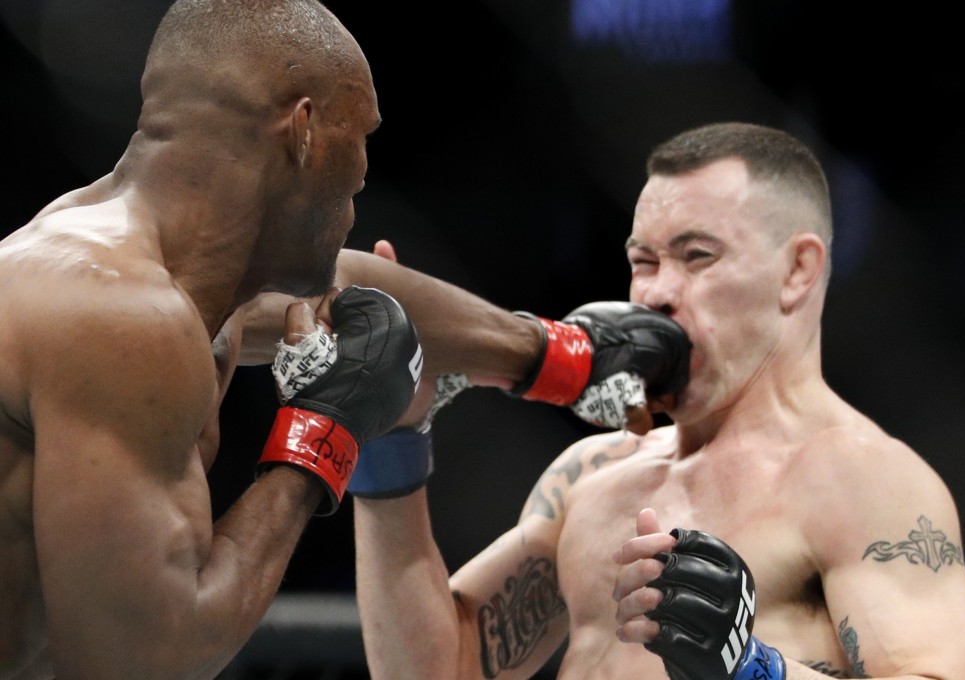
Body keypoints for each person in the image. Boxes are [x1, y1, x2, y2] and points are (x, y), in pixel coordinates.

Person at [0, 2, 689, 676]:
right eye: (360, 135)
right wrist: (323, 432)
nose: (362, 175)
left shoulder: (156, 263)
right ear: (304, 131)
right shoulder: (122, 319)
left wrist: (560, 356)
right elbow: (144, 660)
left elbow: (355, 288)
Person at [351, 122, 965, 679]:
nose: (656, 293)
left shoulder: (860, 479)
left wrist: (752, 667)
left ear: (797, 271)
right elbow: (440, 669)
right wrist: (392, 437)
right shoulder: (591, 474)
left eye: (697, 256)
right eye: (645, 261)